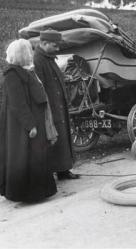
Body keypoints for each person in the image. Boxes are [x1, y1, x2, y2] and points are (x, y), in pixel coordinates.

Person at [0, 39, 57, 202]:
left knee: (35, 157)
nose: (31, 54)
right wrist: (30, 125)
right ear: (22, 54)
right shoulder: (12, 75)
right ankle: (26, 195)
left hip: (33, 121)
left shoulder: (25, 71)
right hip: (23, 126)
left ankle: (38, 192)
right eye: (28, 52)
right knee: (24, 157)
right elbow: (18, 104)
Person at [33, 29, 79, 179]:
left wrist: (64, 77)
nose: (58, 48)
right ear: (44, 43)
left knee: (63, 138)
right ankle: (56, 171)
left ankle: (63, 170)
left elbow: (54, 77)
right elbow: (39, 87)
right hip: (51, 108)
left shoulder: (49, 57)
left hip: (59, 105)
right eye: (55, 45)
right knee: (55, 139)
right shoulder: (38, 60)